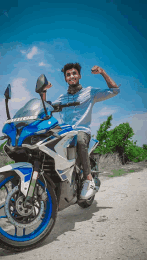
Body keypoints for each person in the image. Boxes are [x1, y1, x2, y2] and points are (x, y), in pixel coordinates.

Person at [44, 63, 120, 199]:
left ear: (79, 75)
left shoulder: (89, 92)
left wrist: (102, 72)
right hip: (65, 133)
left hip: (82, 132)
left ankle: (88, 179)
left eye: (74, 73)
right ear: (65, 79)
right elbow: (45, 109)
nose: (71, 76)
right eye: (68, 75)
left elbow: (115, 90)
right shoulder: (62, 98)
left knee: (79, 138)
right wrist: (43, 91)